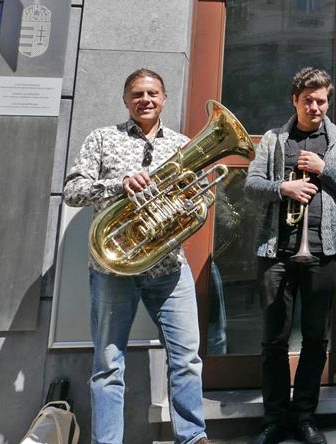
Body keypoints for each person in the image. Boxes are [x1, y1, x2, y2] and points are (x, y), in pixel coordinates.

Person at [63, 69, 208, 444]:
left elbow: (198, 198)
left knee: (187, 359)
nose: (146, 99)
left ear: (164, 98)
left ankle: (193, 437)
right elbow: (73, 191)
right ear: (126, 100)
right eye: (138, 94)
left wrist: (187, 202)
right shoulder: (102, 138)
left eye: (153, 93)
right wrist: (119, 185)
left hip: (168, 268)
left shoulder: (182, 145)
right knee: (108, 365)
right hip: (114, 269)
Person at [245, 68, 336, 444]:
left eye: (321, 101)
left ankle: (304, 417)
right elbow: (251, 185)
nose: (315, 107)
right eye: (308, 100)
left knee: (315, 338)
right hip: (277, 252)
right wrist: (284, 188)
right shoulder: (274, 139)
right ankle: (274, 419)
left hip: (323, 251)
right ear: (294, 101)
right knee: (274, 339)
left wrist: (323, 169)